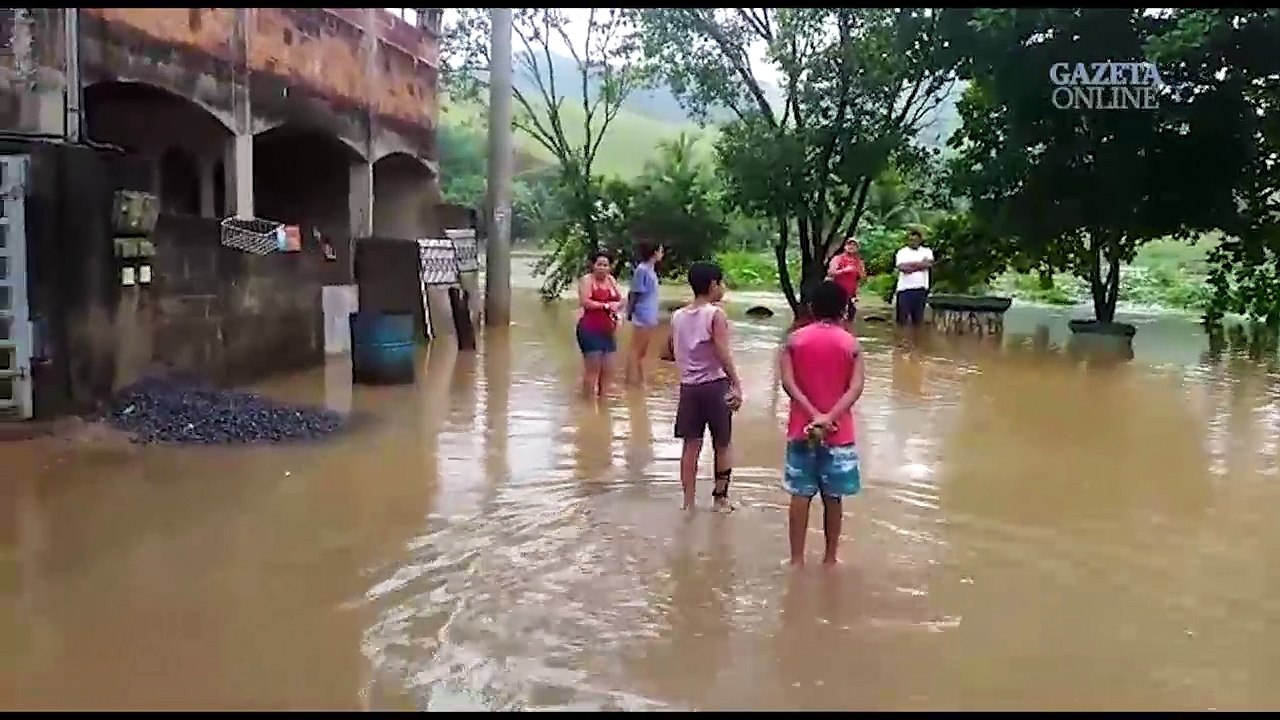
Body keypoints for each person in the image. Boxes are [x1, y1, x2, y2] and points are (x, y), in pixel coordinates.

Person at [779, 280, 865, 566]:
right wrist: (829, 417)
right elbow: (855, 388)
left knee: (800, 495)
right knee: (833, 497)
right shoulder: (851, 344)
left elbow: (788, 383)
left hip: (801, 430)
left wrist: (813, 414)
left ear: (812, 307)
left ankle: (795, 559)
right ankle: (830, 559)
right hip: (838, 433)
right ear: (844, 310)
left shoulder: (794, 341)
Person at [669, 261, 742, 512]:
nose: (723, 288)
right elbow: (722, 351)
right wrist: (736, 382)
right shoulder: (715, 315)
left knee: (691, 446)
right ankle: (720, 500)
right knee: (722, 444)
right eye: (721, 283)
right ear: (713, 285)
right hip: (714, 384)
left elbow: (668, 350)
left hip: (688, 387)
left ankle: (688, 503)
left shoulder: (677, 316)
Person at [576, 252, 624, 397]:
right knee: (592, 371)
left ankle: (602, 407)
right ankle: (588, 407)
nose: (602, 268)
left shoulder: (611, 280)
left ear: (610, 267)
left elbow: (621, 300)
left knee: (608, 370)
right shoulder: (587, 280)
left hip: (608, 330)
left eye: (605, 265)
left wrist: (618, 308)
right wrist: (606, 306)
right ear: (593, 265)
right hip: (589, 329)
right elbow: (585, 302)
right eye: (599, 264)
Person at [626, 241, 665, 385]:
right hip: (642, 314)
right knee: (636, 349)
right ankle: (630, 381)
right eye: (660, 250)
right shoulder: (642, 270)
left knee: (642, 351)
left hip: (650, 314)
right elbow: (634, 293)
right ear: (654, 252)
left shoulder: (650, 270)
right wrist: (629, 312)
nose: (662, 254)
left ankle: (639, 381)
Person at [894, 228, 934, 327]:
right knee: (902, 320)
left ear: (920, 240)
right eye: (911, 240)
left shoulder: (927, 251)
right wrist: (919, 264)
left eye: (915, 240)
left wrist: (911, 265)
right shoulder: (902, 252)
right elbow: (902, 268)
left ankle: (917, 340)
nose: (913, 242)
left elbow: (928, 264)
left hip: (921, 289)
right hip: (904, 289)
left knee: (918, 320)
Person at [826, 236, 866, 321]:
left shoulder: (859, 261)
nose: (851, 246)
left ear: (857, 248)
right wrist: (845, 270)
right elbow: (830, 273)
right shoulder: (838, 258)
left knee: (850, 318)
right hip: (837, 294)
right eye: (849, 244)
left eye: (854, 245)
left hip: (851, 295)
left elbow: (863, 278)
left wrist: (860, 272)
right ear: (845, 246)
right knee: (836, 319)